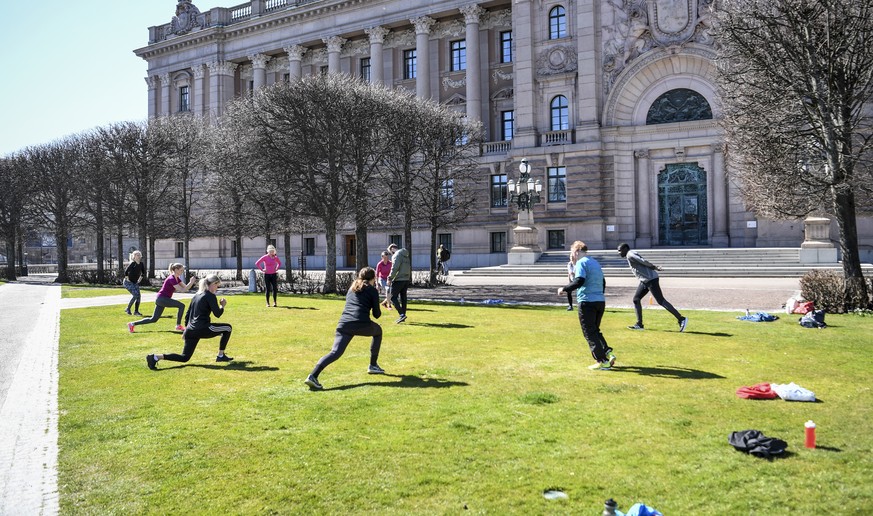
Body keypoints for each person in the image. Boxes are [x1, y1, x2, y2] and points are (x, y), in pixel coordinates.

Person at [304, 267, 385, 390]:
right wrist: (379, 301)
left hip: (344, 324)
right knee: (378, 331)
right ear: (373, 278)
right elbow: (377, 315)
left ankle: (313, 376)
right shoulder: (372, 290)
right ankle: (373, 365)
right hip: (360, 323)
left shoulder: (352, 288)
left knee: (335, 353)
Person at [146, 274, 233, 369]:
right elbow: (217, 314)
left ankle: (155, 357)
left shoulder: (196, 296)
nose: (217, 287)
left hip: (191, 330)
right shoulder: (210, 296)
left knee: (184, 357)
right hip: (203, 328)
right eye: (217, 285)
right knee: (228, 328)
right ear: (212, 284)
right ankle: (220, 356)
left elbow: (187, 315)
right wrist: (222, 305)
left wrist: (186, 330)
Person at [557, 241, 616, 370]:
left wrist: (564, 289)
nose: (572, 255)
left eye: (572, 252)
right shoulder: (595, 262)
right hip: (600, 301)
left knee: (589, 332)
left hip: (587, 301)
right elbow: (603, 281)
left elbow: (579, 280)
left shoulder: (581, 262)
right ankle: (608, 352)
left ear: (577, 251)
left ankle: (602, 361)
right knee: (595, 330)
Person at [618, 243, 688, 332]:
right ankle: (639, 324)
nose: (619, 253)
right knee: (636, 299)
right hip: (645, 280)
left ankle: (681, 319)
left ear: (625, 249)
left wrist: (654, 267)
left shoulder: (630, 254)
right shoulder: (630, 254)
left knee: (661, 301)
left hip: (651, 279)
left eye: (620, 250)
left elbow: (643, 261)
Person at [128, 263, 196, 333]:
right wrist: (191, 282)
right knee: (181, 306)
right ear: (176, 270)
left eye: (183, 270)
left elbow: (185, 288)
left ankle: (132, 324)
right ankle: (178, 325)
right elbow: (182, 290)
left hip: (161, 299)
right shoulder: (172, 278)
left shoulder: (176, 279)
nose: (182, 272)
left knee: (153, 319)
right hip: (162, 299)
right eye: (181, 270)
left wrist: (191, 283)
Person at [387, 243, 412, 323]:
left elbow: (395, 268)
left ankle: (401, 314)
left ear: (392, 249)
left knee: (392, 297)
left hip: (398, 279)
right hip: (406, 279)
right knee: (403, 298)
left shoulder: (396, 255)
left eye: (391, 252)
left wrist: (390, 278)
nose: (391, 254)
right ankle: (403, 315)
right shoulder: (406, 255)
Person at [122, 250, 146, 316]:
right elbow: (126, 272)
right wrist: (127, 279)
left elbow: (143, 273)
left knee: (139, 296)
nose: (138, 256)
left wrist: (139, 280)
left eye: (139, 255)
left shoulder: (141, 264)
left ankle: (136, 311)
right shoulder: (133, 263)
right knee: (135, 295)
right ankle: (128, 309)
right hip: (128, 282)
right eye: (137, 255)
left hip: (135, 282)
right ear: (134, 257)